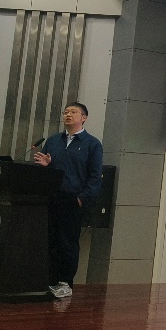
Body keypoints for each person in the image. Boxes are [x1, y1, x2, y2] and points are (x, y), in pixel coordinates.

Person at [33, 102, 103, 299]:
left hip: (73, 200)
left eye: (73, 112)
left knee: (68, 243)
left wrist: (81, 199)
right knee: (50, 241)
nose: (68, 115)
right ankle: (50, 280)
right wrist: (46, 165)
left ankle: (65, 283)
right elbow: (47, 172)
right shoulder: (53, 140)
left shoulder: (92, 144)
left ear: (84, 118)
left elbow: (95, 177)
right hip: (51, 198)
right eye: (65, 112)